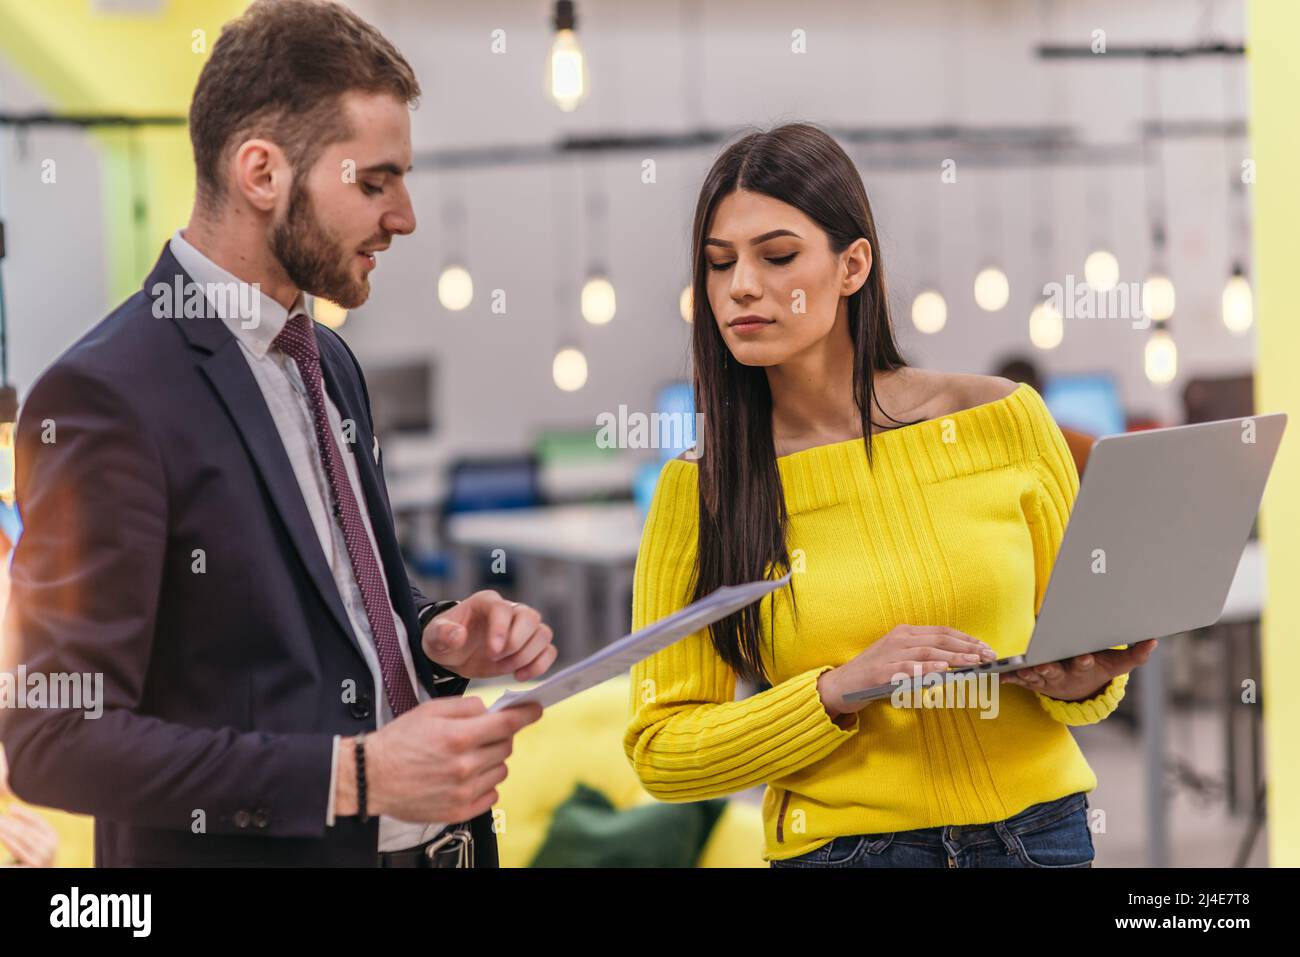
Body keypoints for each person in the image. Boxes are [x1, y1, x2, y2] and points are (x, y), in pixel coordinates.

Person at [0, 0, 552, 868]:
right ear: (262, 172)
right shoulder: (105, 396)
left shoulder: (326, 359)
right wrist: (356, 776)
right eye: (373, 182)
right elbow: (56, 739)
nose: (404, 216)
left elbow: (330, 623)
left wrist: (436, 633)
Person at [624, 123, 1156, 868]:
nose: (740, 285)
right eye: (718, 264)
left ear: (852, 266)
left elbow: (1081, 671)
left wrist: (1084, 678)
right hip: (850, 852)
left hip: (1044, 837)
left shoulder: (1004, 420)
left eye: (777, 256)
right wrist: (837, 690)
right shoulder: (703, 486)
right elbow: (662, 749)